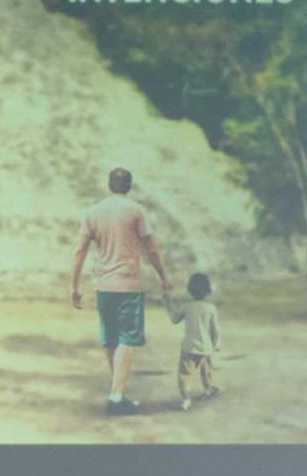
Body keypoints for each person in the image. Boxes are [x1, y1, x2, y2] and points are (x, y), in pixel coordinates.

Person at [70, 167, 172, 415]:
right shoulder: (136, 210)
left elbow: (80, 251)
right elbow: (152, 249)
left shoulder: (92, 212)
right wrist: (164, 277)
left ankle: (118, 393)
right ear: (129, 186)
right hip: (128, 284)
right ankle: (116, 396)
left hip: (103, 285)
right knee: (127, 338)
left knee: (111, 337)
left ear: (108, 185)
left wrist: (74, 286)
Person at [167, 272, 221, 411]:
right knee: (206, 370)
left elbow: (174, 319)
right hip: (205, 347)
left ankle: (185, 398)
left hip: (189, 347)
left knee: (185, 374)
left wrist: (168, 300)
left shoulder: (187, 307)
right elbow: (215, 329)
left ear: (189, 290)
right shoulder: (211, 308)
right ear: (208, 291)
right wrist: (217, 343)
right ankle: (208, 387)